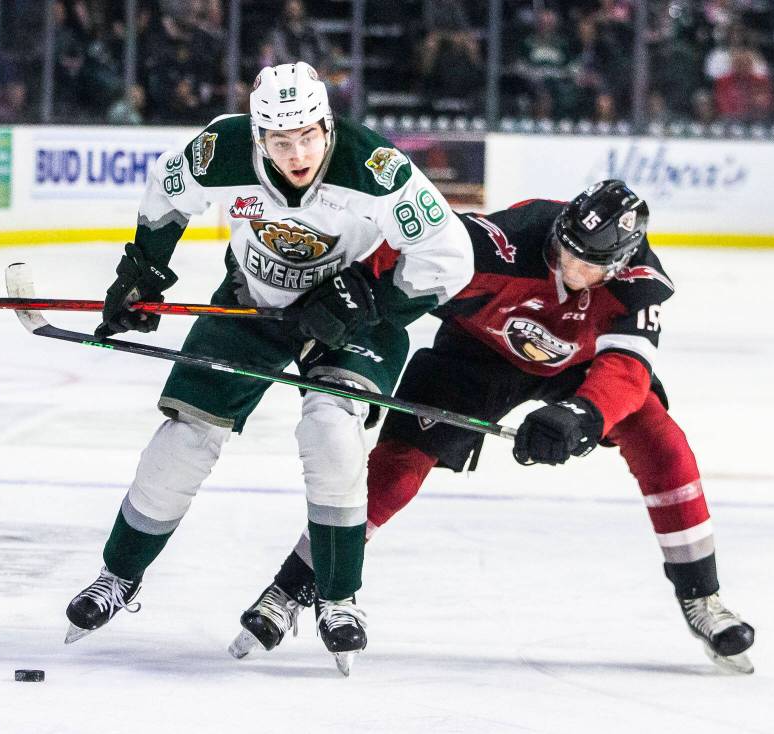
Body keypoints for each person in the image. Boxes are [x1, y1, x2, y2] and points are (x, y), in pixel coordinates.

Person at [235, 180, 756, 674]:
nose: (569, 264)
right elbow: (414, 245)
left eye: (587, 262)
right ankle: (292, 587)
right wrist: (346, 293)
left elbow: (627, 371)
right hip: (475, 356)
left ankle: (701, 596)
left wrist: (579, 416)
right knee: (395, 469)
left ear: (618, 264)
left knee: (661, 440)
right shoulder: (505, 244)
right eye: (565, 248)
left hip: (579, 370)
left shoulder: (638, 286)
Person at [63, 61, 474, 672]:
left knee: (331, 431)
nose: (299, 151)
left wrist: (370, 300)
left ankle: (339, 597)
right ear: (259, 135)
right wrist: (143, 272)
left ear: (327, 123)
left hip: (350, 318)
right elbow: (167, 194)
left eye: (309, 134)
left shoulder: (373, 165)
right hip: (253, 304)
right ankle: (117, 576)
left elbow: (450, 259)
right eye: (282, 140)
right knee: (185, 437)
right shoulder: (221, 149)